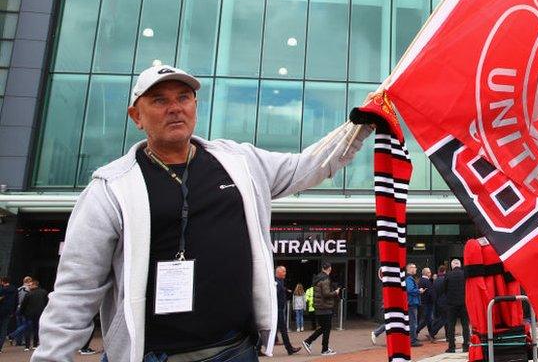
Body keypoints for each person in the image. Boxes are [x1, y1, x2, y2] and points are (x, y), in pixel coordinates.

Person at [34, 65, 369, 362]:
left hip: (235, 351)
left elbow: (309, 166)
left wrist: (360, 125)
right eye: (159, 100)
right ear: (136, 116)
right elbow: (75, 292)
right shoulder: (110, 189)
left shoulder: (239, 163)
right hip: (152, 356)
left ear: (195, 106)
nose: (175, 108)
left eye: (184, 97)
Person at [303, 263, 341, 355]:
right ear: (330, 268)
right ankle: (322, 348)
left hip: (319, 307)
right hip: (325, 307)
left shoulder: (318, 278)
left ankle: (315, 344)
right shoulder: (325, 279)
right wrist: (335, 292)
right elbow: (326, 294)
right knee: (326, 328)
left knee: (323, 328)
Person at [440, 258, 470, 353]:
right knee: (465, 325)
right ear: (460, 265)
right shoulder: (465, 274)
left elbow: (444, 289)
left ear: (452, 266)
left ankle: (451, 347)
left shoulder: (448, 275)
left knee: (451, 326)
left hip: (451, 304)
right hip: (464, 303)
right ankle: (466, 345)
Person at [274, 266, 300, 355]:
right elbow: (275, 295)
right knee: (283, 329)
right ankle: (289, 349)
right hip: (277, 310)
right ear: (278, 272)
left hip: (279, 309)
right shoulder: (276, 282)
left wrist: (286, 290)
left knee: (273, 329)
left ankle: (258, 348)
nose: (285, 273)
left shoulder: (279, 282)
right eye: (283, 271)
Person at [20, 279, 48, 351]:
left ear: (34, 285)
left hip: (29, 314)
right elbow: (47, 303)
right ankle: (35, 344)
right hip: (40, 313)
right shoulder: (44, 292)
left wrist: (21, 312)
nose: (29, 286)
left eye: (31, 285)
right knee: (37, 329)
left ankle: (27, 346)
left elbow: (24, 305)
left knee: (28, 329)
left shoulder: (28, 294)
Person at [405, 263, 423, 347]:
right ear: (410, 269)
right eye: (415, 268)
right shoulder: (409, 278)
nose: (416, 269)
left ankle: (413, 338)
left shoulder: (409, 278)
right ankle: (413, 340)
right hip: (412, 303)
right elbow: (410, 290)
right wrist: (419, 291)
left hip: (411, 302)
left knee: (412, 322)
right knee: (413, 322)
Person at [417, 267, 436, 341]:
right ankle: (416, 331)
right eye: (429, 272)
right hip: (428, 303)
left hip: (423, 302)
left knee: (428, 320)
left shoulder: (421, 280)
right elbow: (430, 293)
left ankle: (431, 334)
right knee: (427, 319)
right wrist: (434, 300)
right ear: (426, 273)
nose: (430, 274)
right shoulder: (426, 281)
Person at [0, 277, 17, 353]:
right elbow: (16, 301)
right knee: (4, 329)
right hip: (9, 311)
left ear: (2, 282)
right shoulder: (14, 289)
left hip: (1, 310)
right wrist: (13, 311)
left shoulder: (2, 290)